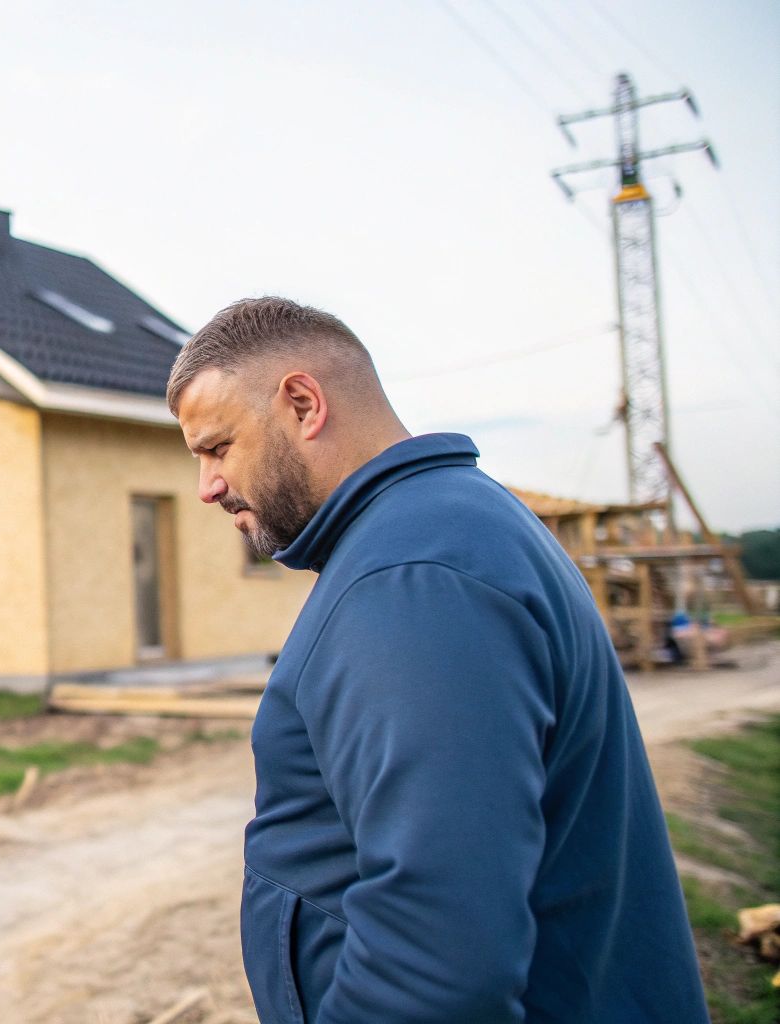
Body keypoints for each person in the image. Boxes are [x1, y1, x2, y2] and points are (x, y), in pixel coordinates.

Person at [164, 298, 707, 1023]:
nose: (206, 487)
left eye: (217, 448)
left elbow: (436, 964)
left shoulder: (410, 578)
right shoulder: (444, 528)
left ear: (302, 404)